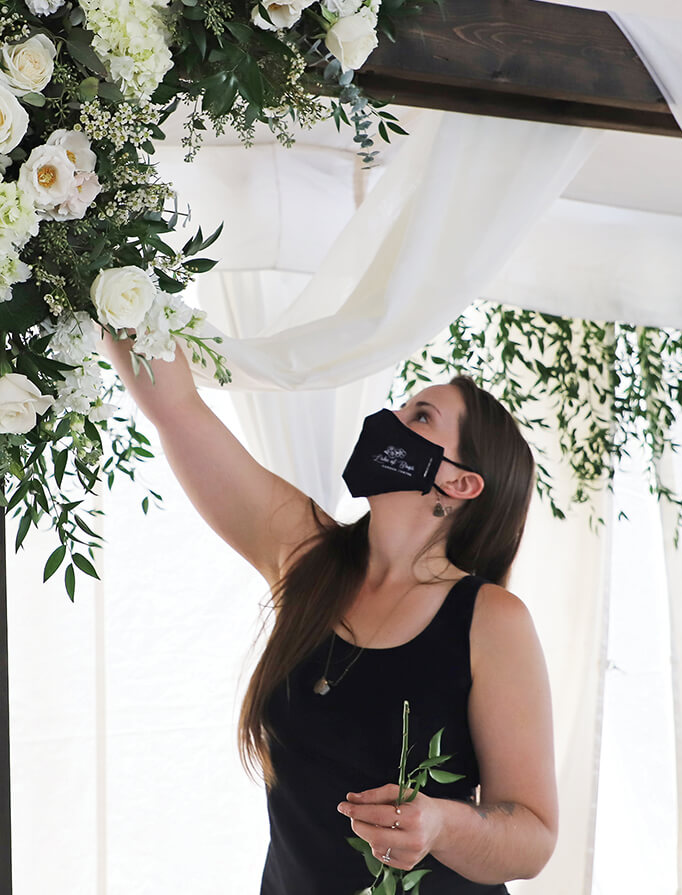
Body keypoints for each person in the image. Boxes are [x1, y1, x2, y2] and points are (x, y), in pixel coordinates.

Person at [101, 333, 558, 895]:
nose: (389, 417)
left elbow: (533, 837)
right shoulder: (304, 555)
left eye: (419, 416)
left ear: (458, 483)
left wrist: (440, 823)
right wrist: (100, 274)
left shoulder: (492, 619)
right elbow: (175, 408)